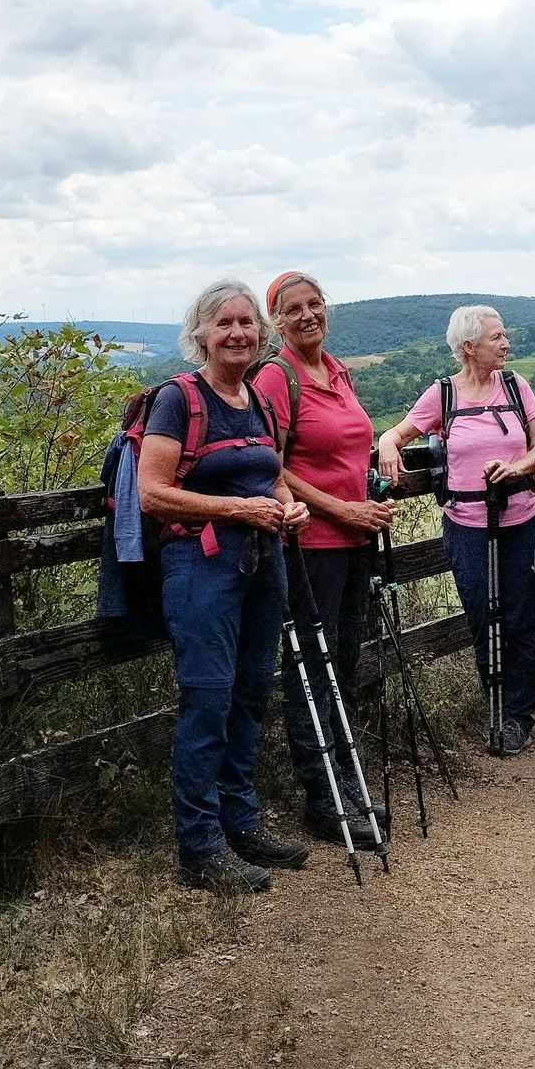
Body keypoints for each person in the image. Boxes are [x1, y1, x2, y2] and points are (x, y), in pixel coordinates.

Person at [139, 280, 312, 893]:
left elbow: (274, 477)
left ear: (260, 334)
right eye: (224, 324)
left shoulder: (258, 401)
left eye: (246, 323)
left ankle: (242, 826)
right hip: (201, 568)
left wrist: (289, 507)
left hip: (263, 565)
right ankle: (200, 848)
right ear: (202, 335)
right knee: (207, 702)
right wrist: (238, 512)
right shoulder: (177, 400)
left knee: (250, 698)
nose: (237, 333)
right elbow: (152, 492)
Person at [253, 270, 394, 847]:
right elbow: (272, 464)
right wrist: (341, 508)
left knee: (343, 664)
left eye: (316, 304)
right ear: (277, 322)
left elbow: (348, 448)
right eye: (295, 309)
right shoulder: (275, 376)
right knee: (314, 672)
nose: (309, 315)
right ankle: (324, 798)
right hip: (311, 544)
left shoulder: (337, 371)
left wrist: (368, 495)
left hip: (353, 541)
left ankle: (347, 781)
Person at [376, 306, 535, 756]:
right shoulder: (443, 394)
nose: (506, 344)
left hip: (521, 517)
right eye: (498, 337)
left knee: (521, 616)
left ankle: (519, 714)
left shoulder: (516, 385)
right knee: (482, 616)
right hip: (466, 524)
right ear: (470, 347)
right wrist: (387, 446)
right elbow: (397, 434)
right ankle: (496, 704)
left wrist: (515, 469)